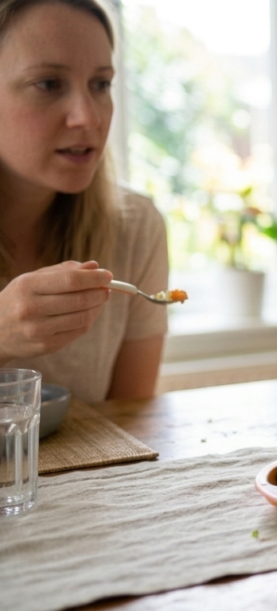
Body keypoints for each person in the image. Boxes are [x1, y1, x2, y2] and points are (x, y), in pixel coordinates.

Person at [0, 0, 168, 404]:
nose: (88, 117)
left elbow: (127, 426)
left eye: (101, 84)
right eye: (49, 84)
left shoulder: (135, 227)